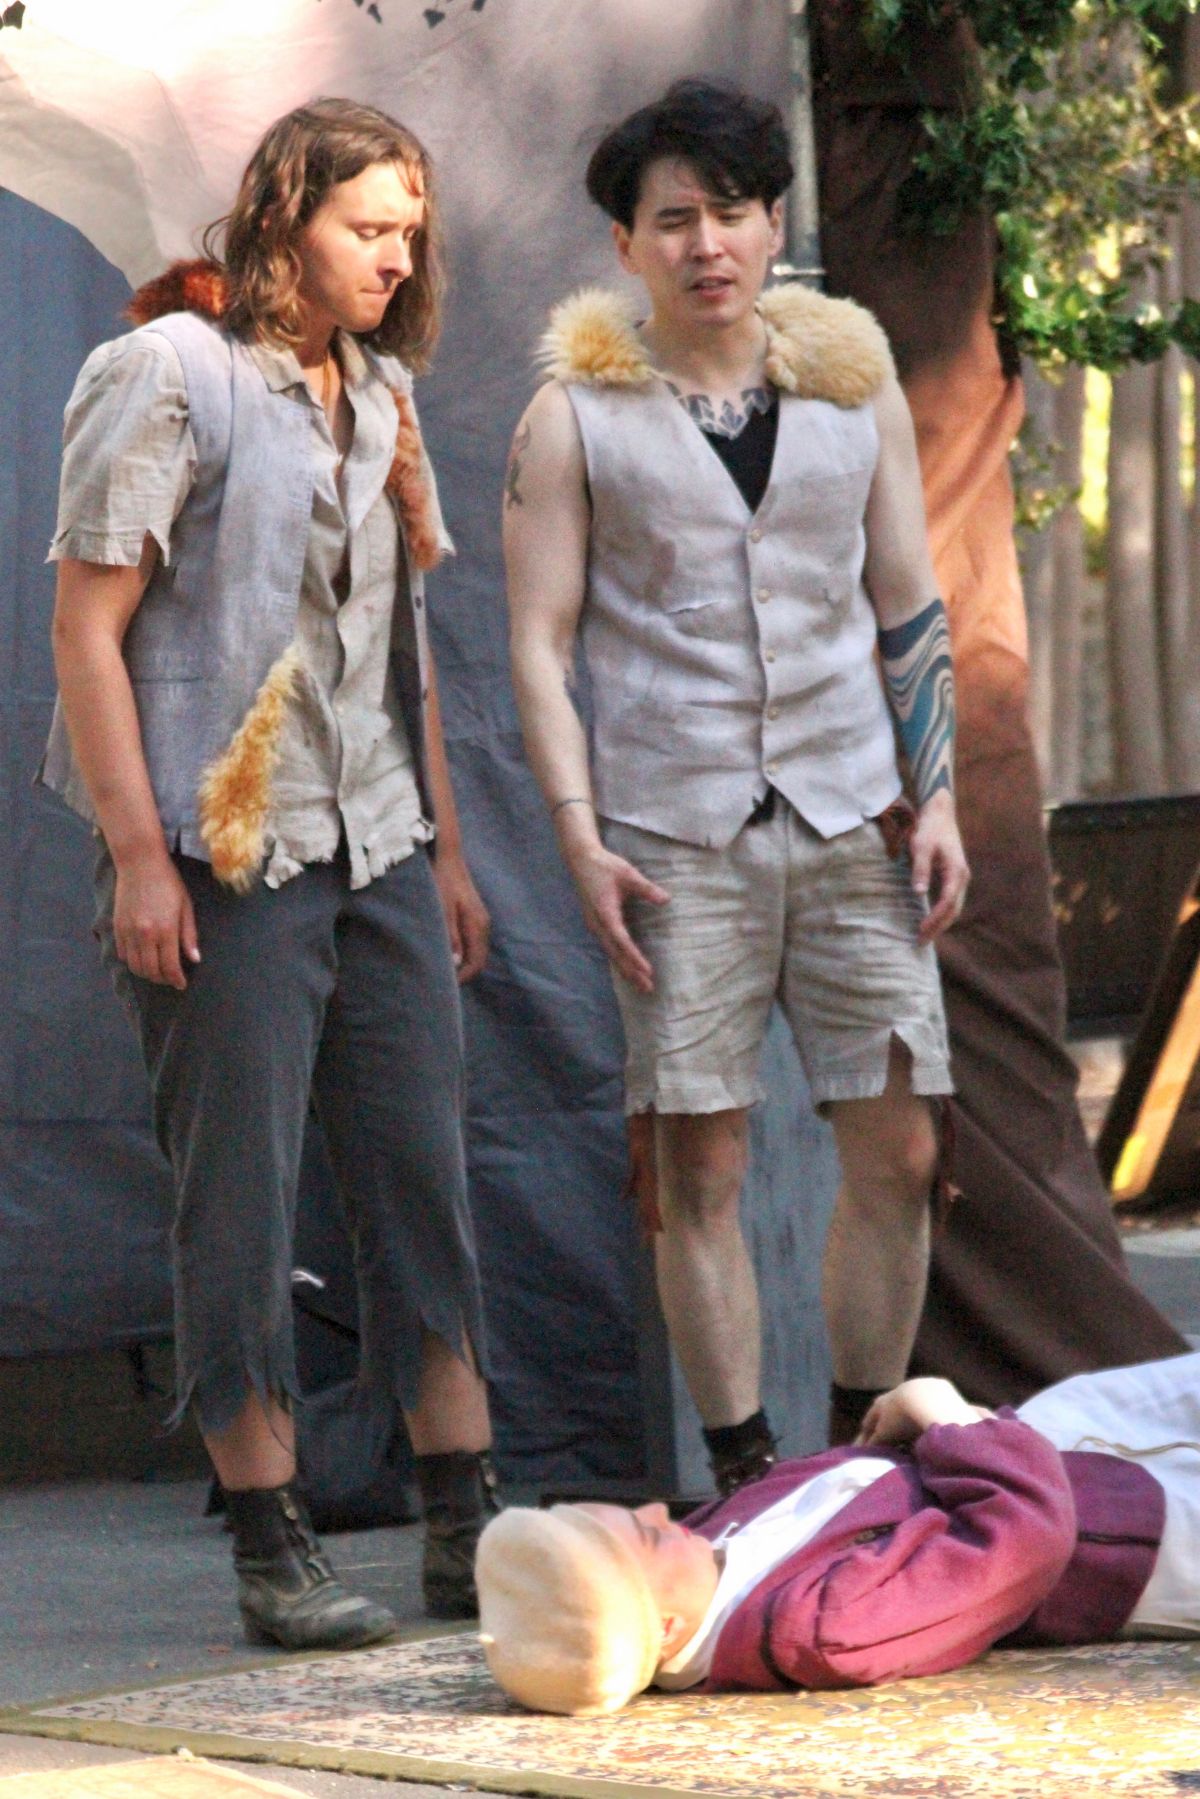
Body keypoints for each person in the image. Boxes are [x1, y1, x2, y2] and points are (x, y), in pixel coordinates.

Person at [43, 98, 499, 1649]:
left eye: (409, 230)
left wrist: (443, 851)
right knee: (238, 1197)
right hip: (221, 844)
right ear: (283, 218)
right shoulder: (168, 372)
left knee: (423, 1178)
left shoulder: (383, 395)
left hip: (378, 837)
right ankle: (270, 1538)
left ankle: (465, 1521)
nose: (396, 255)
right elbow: (86, 628)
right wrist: (137, 856)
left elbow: (398, 646)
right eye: (367, 226)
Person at [503, 78, 970, 1482]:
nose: (706, 243)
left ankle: (860, 1454)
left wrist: (940, 792)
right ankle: (750, 1472)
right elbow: (537, 643)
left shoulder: (853, 385)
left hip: (855, 810)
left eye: (731, 213)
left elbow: (909, 601)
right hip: (674, 828)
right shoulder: (573, 413)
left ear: (776, 224)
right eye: (672, 219)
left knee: (900, 1146)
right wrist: (579, 837)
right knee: (695, 1163)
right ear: (626, 244)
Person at [476, 1351, 1200, 1715]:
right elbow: (1024, 1543)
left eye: (639, 1513)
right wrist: (937, 1409)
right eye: (650, 1538)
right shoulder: (822, 1627)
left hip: (1041, 1440)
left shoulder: (700, 1559)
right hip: (1133, 1530)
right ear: (664, 1630)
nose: (664, 1516)